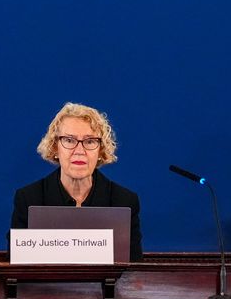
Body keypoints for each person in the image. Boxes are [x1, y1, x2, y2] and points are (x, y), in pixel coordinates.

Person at [10, 102, 143, 261]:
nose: (79, 151)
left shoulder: (124, 201)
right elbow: (16, 269)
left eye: (89, 141)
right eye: (69, 140)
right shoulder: (29, 199)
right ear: (55, 148)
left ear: (100, 151)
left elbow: (134, 273)